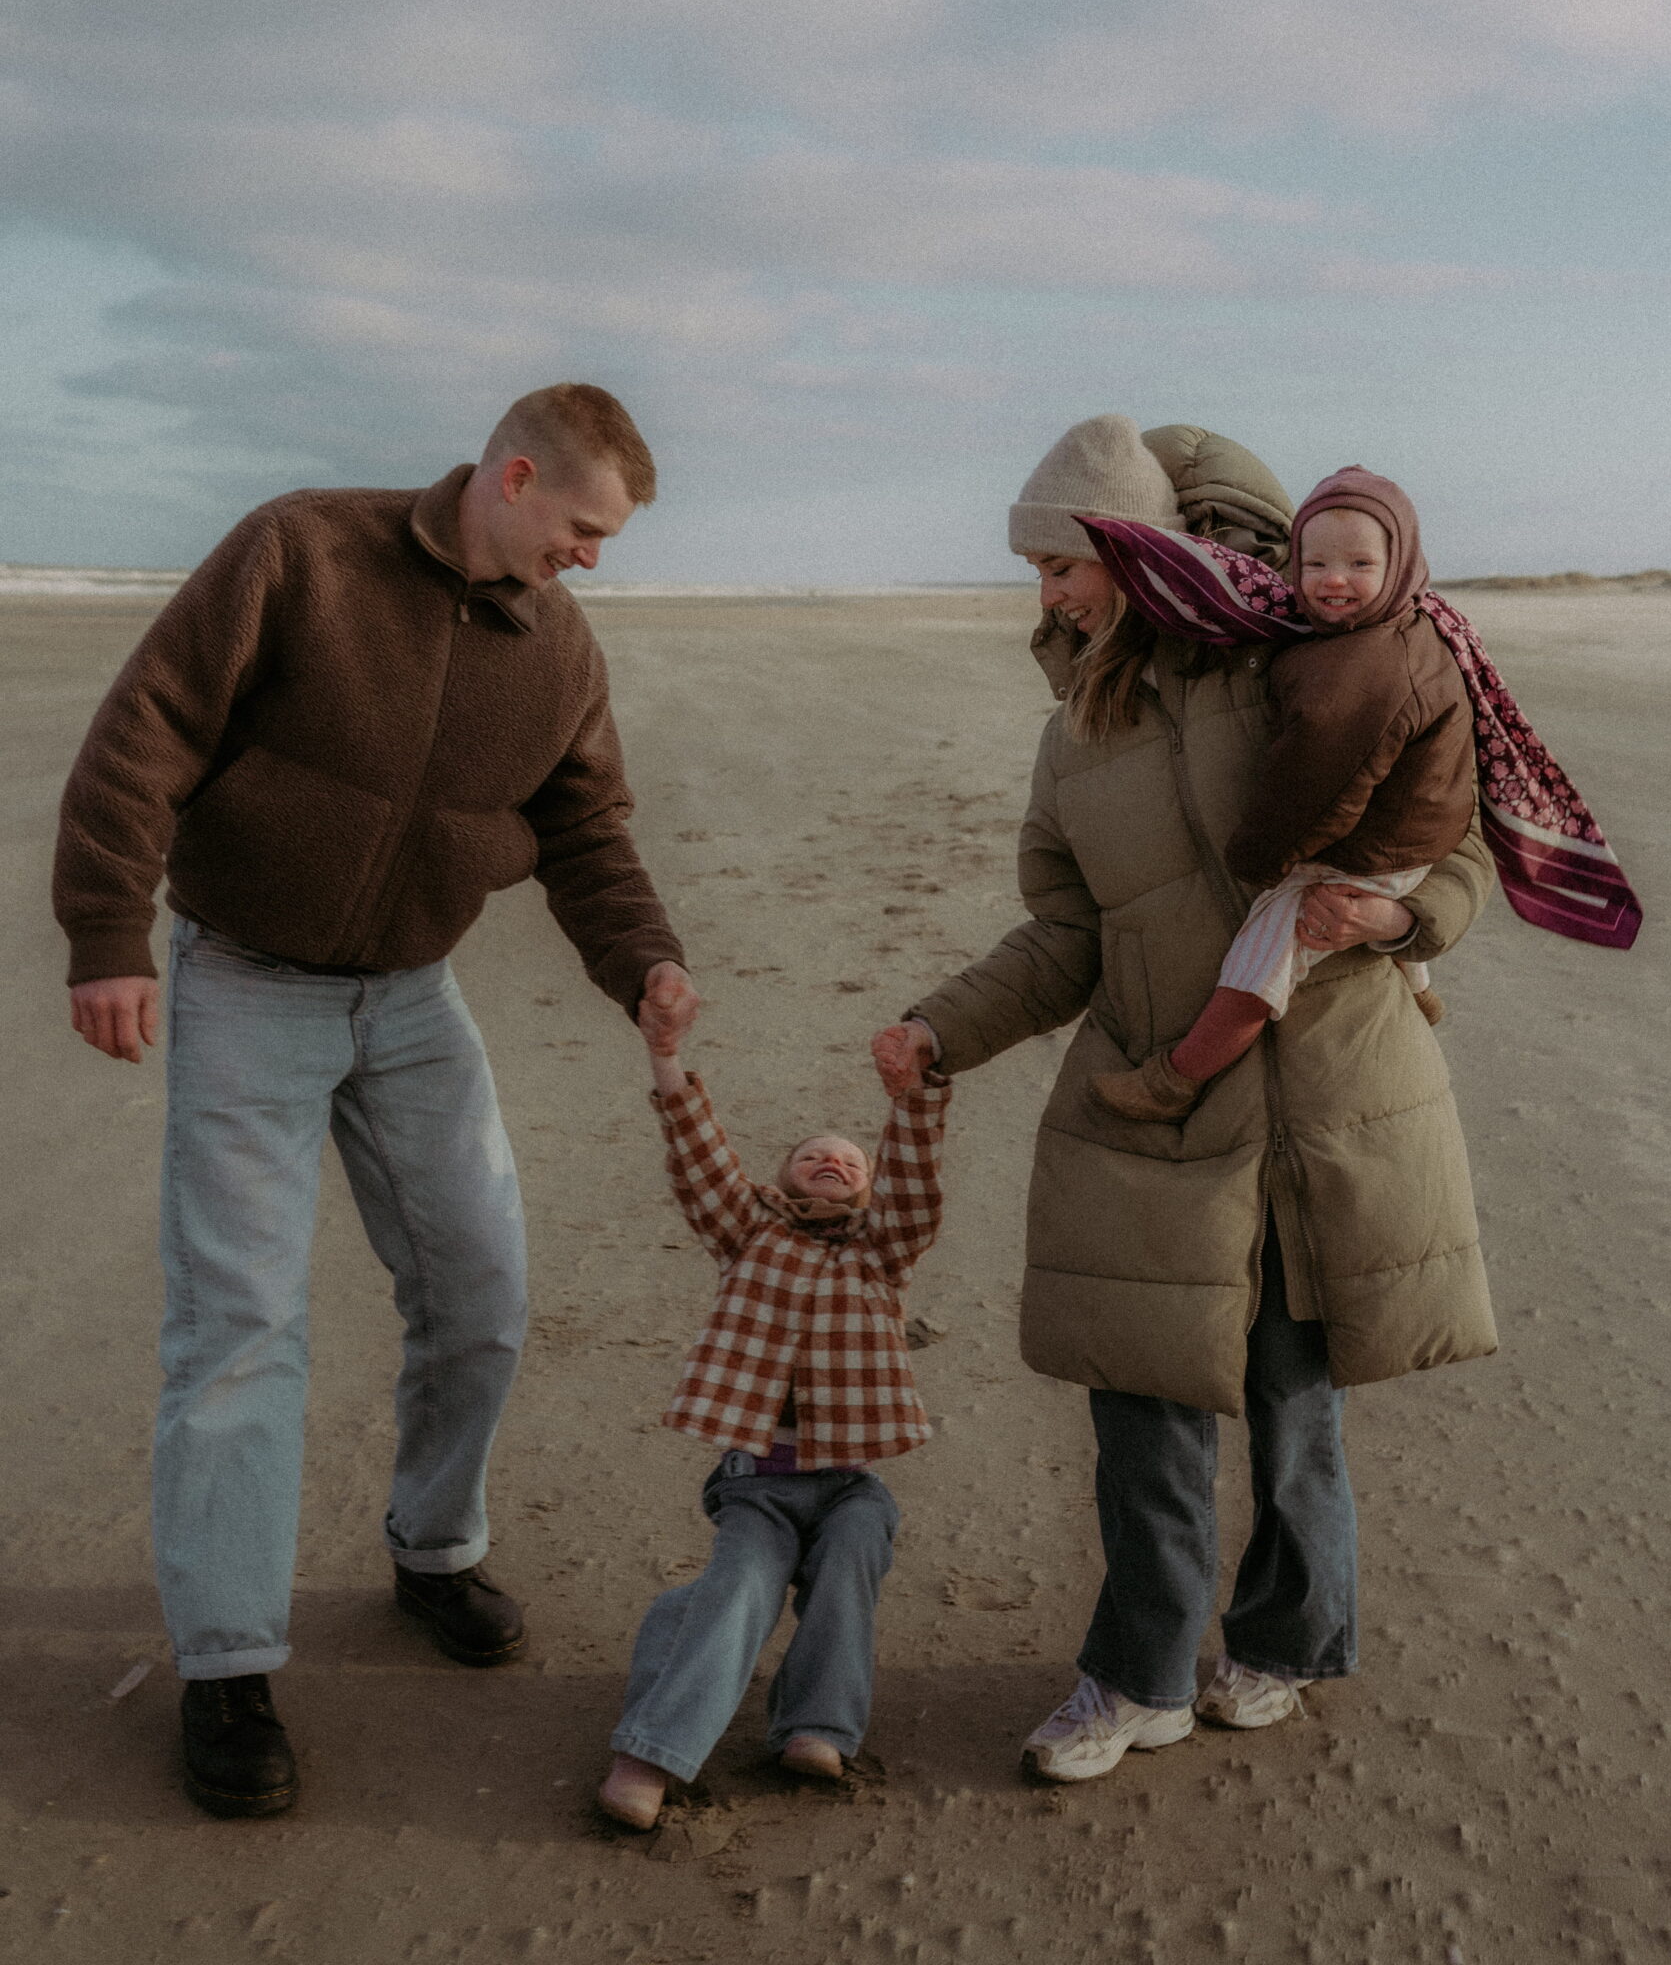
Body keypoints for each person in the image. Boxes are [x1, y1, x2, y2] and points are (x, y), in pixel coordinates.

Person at [54, 383, 701, 1819]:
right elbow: (141, 734)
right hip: (242, 984)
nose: (590, 560)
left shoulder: (557, 647)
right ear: (514, 475)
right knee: (238, 1326)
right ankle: (227, 1664)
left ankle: (432, 1547)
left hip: (412, 999)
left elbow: (584, 827)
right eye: (581, 530)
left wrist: (640, 960)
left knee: (480, 1290)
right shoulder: (300, 553)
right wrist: (107, 938)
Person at [872, 416, 1497, 1780]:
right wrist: (939, 1027)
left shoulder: (1295, 667)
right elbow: (1063, 940)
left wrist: (1395, 925)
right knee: (1138, 1402)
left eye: (1057, 565)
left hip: (1319, 1103)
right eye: (1034, 575)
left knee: (1288, 1401)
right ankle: (1137, 1678)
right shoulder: (1068, 739)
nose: (1043, 597)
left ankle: (1284, 1640)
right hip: (1151, 1105)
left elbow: (1449, 844)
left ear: (1124, 548)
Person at [597, 1033, 950, 1830]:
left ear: (869, 1192)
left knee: (853, 1559)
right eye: (813, 1157)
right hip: (758, 1478)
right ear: (779, 1179)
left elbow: (918, 1188)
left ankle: (817, 1727)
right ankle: (649, 1751)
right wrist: (664, 1058)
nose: (833, 1162)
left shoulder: (880, 1253)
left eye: (851, 1163)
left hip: (849, 1481)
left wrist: (913, 1101)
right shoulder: (747, 1231)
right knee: (743, 1584)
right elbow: (696, 1156)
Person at [1091, 466, 1474, 1121]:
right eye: (1314, 561)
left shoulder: (1361, 670)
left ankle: (1176, 1079)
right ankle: (1420, 992)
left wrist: (1259, 865)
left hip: (1373, 852)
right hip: (1410, 838)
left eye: (1359, 562)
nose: (1331, 580)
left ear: (1401, 562)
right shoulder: (1405, 629)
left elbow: (1315, 792)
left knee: (1258, 959)